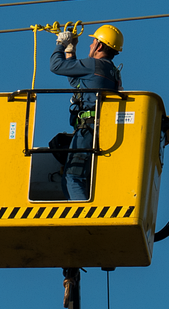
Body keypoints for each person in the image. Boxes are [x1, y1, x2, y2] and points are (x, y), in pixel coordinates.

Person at [49, 25, 124, 201]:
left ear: (99, 46)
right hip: (101, 128)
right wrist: (71, 50)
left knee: (73, 177)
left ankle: (82, 216)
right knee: (75, 176)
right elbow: (75, 80)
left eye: (93, 41)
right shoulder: (112, 71)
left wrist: (60, 43)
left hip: (88, 128)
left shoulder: (93, 64)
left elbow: (56, 66)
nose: (90, 45)